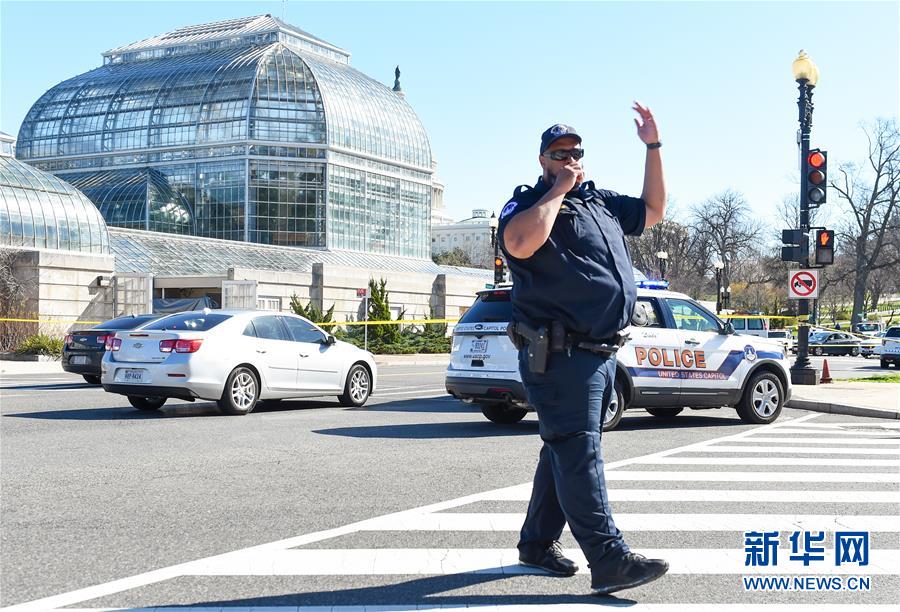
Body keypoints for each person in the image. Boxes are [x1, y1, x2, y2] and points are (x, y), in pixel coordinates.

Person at [497, 104, 668, 596]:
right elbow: (522, 243)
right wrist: (557, 191)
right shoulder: (528, 203)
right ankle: (609, 559)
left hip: (599, 351)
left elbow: (653, 210)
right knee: (579, 453)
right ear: (543, 159)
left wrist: (653, 147)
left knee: (566, 448)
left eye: (575, 151)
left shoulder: (600, 203)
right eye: (559, 153)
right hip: (559, 353)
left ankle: (536, 544)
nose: (570, 158)